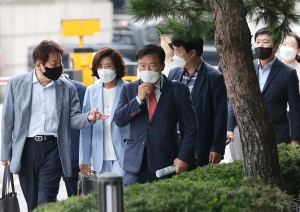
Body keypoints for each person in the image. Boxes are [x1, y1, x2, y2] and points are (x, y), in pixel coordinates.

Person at [0, 40, 108, 211]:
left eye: (60, 62)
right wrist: (5, 152)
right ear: (39, 64)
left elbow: (73, 119)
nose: (59, 66)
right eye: (54, 63)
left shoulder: (67, 88)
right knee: (32, 202)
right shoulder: (17, 83)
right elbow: (7, 120)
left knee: (46, 200)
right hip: (26, 149)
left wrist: (88, 117)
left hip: (53, 149)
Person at [114, 44, 197, 186]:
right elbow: (119, 119)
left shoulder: (178, 90)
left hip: (166, 163)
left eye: (152, 65)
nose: (146, 70)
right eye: (142, 66)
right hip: (135, 165)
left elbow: (191, 127)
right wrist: (138, 100)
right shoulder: (129, 89)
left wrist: (184, 156)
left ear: (162, 66)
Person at [227, 27, 300, 145]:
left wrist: (295, 140)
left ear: (276, 47)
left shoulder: (288, 73)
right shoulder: (246, 68)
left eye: (265, 42)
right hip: (249, 135)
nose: (261, 45)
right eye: (258, 42)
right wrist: (229, 127)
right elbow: (235, 100)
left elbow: (295, 109)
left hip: (277, 135)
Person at [168, 38, 228, 166]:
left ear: (192, 53)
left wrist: (217, 147)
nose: (175, 56)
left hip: (200, 143)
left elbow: (220, 114)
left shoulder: (214, 77)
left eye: (178, 52)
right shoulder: (174, 74)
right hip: (174, 142)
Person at [79, 47, 130, 178]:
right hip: (99, 156)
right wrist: (84, 159)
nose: (103, 70)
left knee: (119, 192)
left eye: (108, 66)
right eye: (100, 66)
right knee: (106, 196)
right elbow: (85, 128)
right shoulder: (90, 91)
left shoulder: (128, 89)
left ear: (116, 68)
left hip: (123, 153)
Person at [60, 72, 87, 197]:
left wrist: (86, 155)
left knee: (75, 195)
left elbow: (86, 122)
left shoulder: (80, 89)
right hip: (47, 155)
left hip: (73, 154)